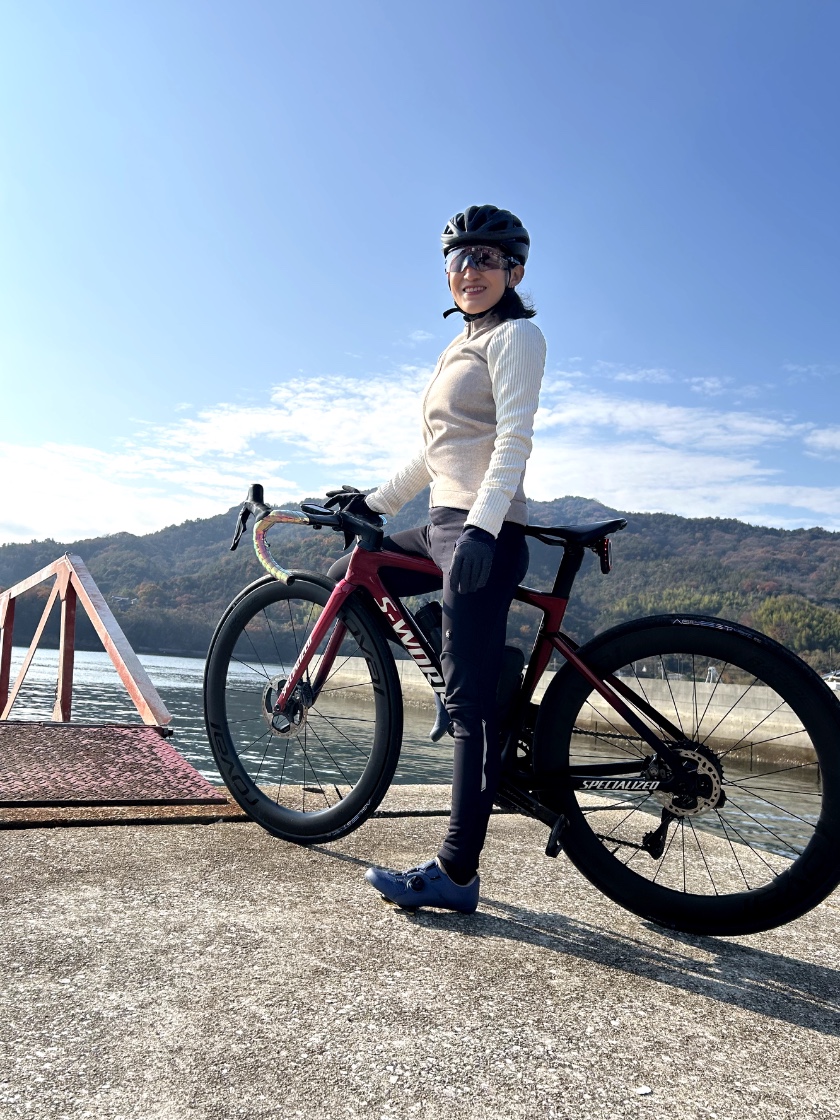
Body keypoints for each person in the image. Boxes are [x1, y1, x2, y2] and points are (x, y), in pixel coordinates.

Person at [327, 204, 546, 914]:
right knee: (351, 580)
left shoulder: (516, 335)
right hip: (441, 523)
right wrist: (374, 502)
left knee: (467, 705)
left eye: (486, 259)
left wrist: (483, 529)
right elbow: (438, 452)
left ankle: (456, 872)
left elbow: (513, 440)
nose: (469, 270)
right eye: (458, 258)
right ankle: (471, 656)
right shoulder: (464, 343)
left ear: (514, 272)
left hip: (480, 531)